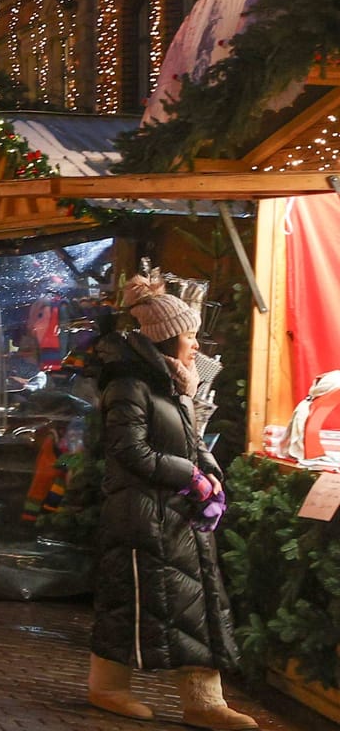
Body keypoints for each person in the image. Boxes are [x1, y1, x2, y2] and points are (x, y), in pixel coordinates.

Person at [86, 281, 253, 729]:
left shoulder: (175, 381)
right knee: (130, 603)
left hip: (177, 514)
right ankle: (109, 688)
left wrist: (211, 474)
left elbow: (192, 439)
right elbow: (129, 450)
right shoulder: (128, 385)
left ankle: (204, 701)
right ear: (165, 336)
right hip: (141, 514)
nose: (196, 344)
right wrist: (189, 476)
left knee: (198, 604)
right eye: (189, 335)